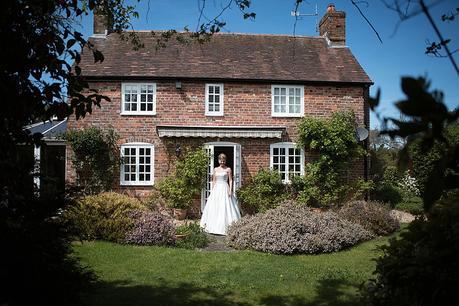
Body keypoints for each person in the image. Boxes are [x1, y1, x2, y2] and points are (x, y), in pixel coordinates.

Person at [200, 153, 241, 235]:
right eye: (221, 160)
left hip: (224, 188)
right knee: (215, 206)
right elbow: (214, 180)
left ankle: (228, 226)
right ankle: (211, 226)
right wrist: (212, 190)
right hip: (216, 189)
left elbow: (230, 180)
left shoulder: (228, 169)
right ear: (218, 160)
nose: (222, 162)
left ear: (225, 161)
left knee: (225, 206)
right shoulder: (215, 169)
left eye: (223, 161)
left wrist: (230, 190)